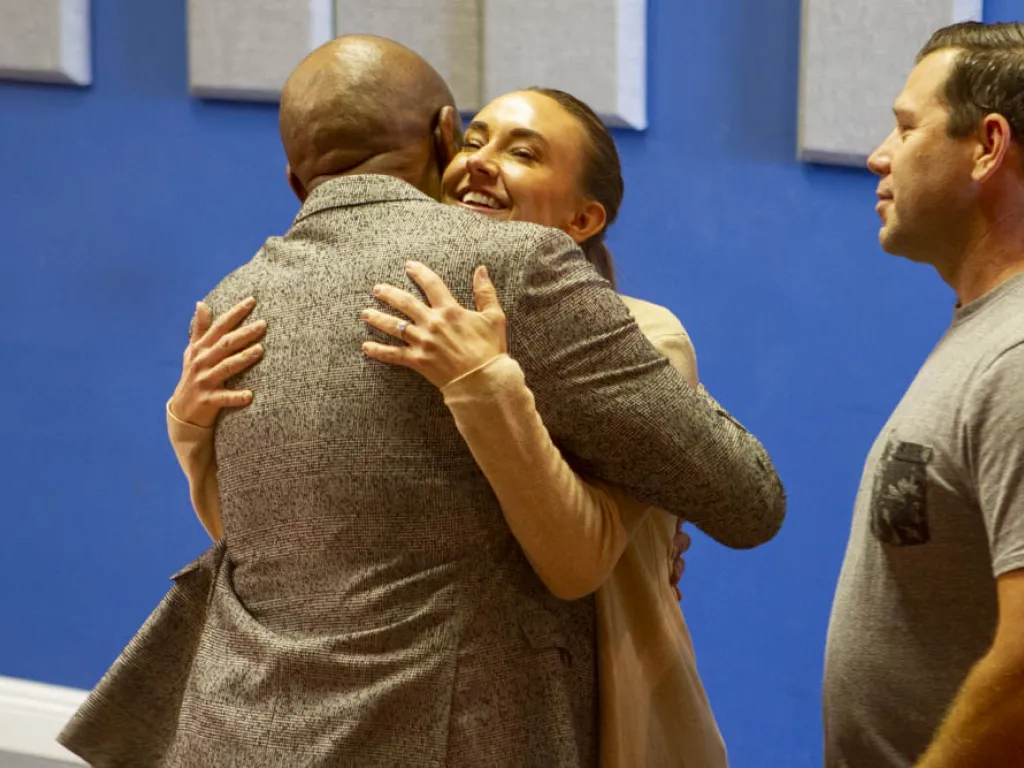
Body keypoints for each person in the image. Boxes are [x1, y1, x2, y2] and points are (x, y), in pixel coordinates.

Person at [60, 36, 784, 767]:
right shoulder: (488, 274)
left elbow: (707, 508)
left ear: (584, 220)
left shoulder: (237, 296)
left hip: (244, 730)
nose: (482, 162)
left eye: (524, 153)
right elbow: (288, 544)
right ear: (443, 140)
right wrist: (190, 429)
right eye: (474, 139)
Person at [824, 21, 1024, 768]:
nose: (879, 155)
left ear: (988, 146)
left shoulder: (1017, 357)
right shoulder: (986, 332)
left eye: (907, 128)